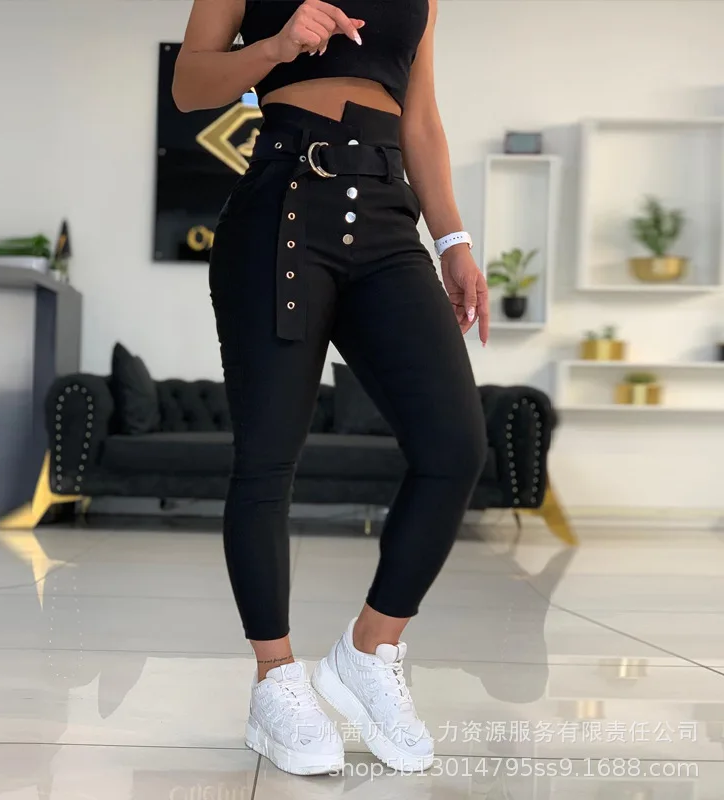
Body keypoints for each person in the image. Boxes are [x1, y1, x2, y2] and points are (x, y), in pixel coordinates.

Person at [173, 0, 489, 777]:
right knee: (267, 459)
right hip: (281, 207)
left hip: (388, 219)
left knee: (455, 447)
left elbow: (421, 118)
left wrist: (453, 239)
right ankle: (275, 678)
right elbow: (189, 86)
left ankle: (369, 650)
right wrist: (277, 46)